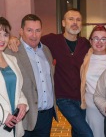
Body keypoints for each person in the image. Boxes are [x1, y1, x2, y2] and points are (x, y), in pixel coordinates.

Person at [8, 9, 93, 137]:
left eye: (78, 20)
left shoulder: (83, 44)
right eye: (71, 19)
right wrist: (12, 39)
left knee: (78, 132)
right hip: (49, 104)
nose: (34, 35)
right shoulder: (50, 41)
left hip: (72, 102)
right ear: (63, 23)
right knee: (86, 133)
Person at [5, 14, 57, 137]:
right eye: (29, 30)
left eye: (37, 30)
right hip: (25, 116)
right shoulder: (11, 51)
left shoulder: (46, 50)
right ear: (21, 31)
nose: (34, 35)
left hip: (46, 115)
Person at [80, 25, 106, 137]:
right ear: (90, 41)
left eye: (103, 39)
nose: (99, 42)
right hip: (91, 105)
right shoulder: (85, 58)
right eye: (96, 38)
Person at [0, 17, 29, 137]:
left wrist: (23, 103)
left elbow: (18, 88)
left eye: (5, 34)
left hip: (14, 123)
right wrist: (3, 115)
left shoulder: (11, 59)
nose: (2, 39)